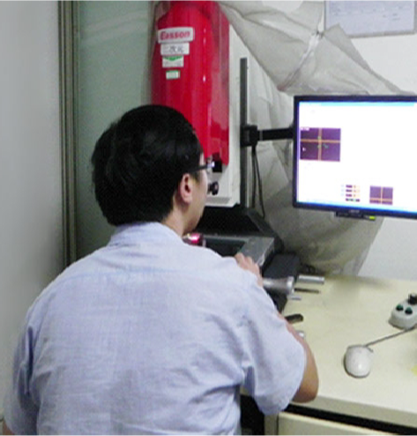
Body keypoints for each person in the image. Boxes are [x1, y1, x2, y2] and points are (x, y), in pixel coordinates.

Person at [2, 105, 318, 435]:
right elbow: (305, 384)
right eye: (205, 169)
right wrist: (259, 295)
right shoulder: (231, 288)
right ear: (186, 186)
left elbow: (14, 430)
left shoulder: (50, 303)